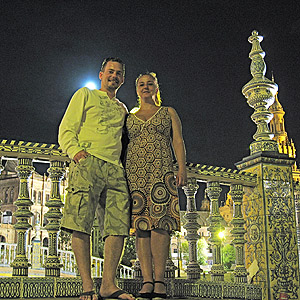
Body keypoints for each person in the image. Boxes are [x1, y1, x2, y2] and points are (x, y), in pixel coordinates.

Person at [58, 57, 134, 300]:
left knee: (118, 226)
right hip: (88, 162)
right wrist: (77, 153)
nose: (114, 76)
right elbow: (67, 128)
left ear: (122, 79)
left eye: (119, 73)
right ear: (101, 74)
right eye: (110, 71)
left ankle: (109, 285)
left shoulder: (122, 109)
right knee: (80, 222)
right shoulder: (85, 95)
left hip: (115, 168)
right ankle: (87, 285)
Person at [125, 72, 187, 300]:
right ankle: (146, 280)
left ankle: (159, 280)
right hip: (135, 175)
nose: (146, 87)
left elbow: (177, 140)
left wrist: (181, 168)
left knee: (161, 226)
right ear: (136, 89)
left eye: (150, 84)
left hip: (161, 172)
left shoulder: (168, 112)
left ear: (157, 88)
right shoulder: (129, 118)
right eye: (141, 84)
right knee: (141, 228)